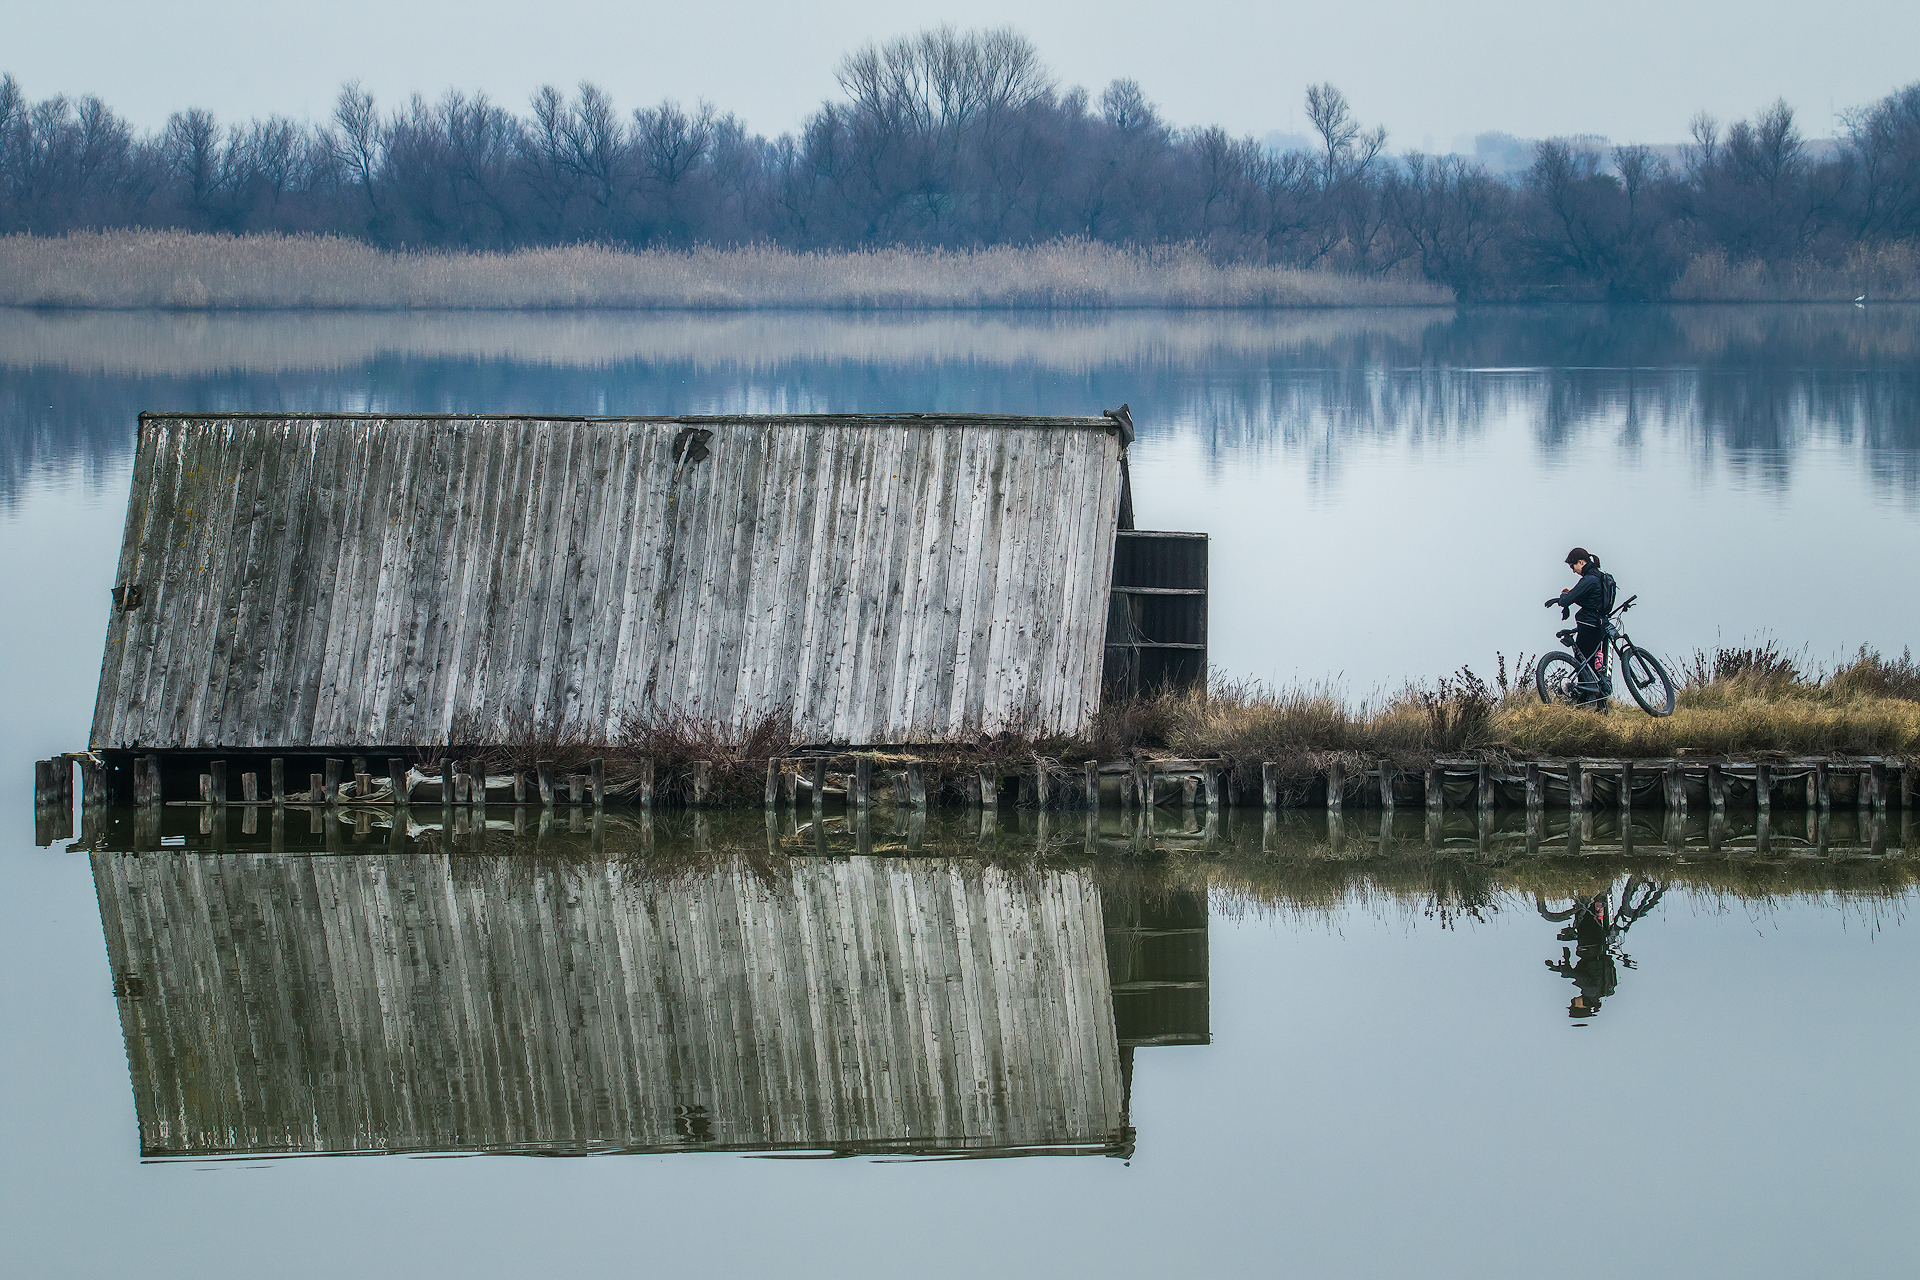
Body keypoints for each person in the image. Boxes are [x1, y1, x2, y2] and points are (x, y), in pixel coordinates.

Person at [1545, 547, 1615, 706]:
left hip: (1588, 624)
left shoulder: (1589, 579)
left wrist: (1563, 596)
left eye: (1572, 566)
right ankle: (1599, 705)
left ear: (1581, 562)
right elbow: (1592, 602)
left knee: (1582, 663)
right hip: (1600, 625)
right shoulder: (1601, 577)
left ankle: (1584, 700)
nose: (1573, 570)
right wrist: (1574, 594)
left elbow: (1566, 600)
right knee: (1596, 666)